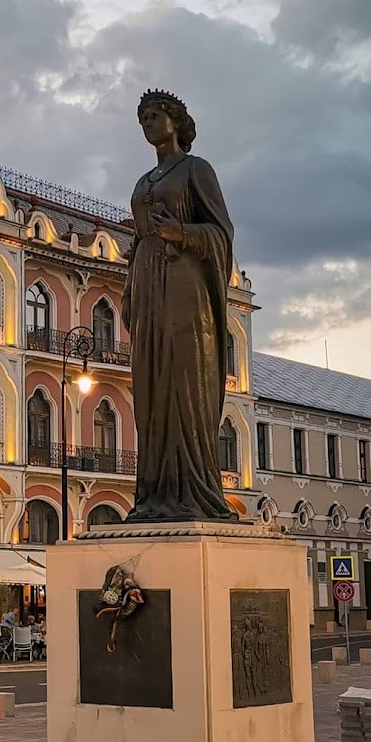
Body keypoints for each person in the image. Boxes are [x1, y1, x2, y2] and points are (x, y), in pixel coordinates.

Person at [122, 90, 238, 522]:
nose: (148, 124)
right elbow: (136, 242)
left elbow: (222, 233)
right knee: (150, 386)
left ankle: (194, 490)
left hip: (186, 287)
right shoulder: (142, 182)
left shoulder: (196, 170)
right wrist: (129, 292)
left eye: (154, 116)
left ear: (176, 121)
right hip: (148, 285)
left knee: (185, 383)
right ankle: (155, 494)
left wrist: (182, 234)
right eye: (143, 119)